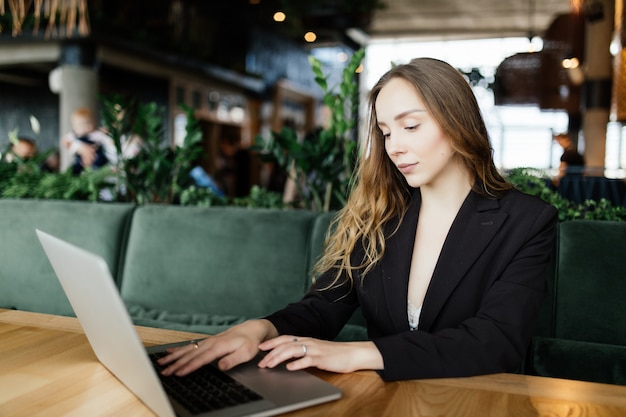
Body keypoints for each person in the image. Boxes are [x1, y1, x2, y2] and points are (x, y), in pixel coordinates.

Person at [159, 58, 558, 382]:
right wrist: (260, 329)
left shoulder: (526, 222)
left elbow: (495, 341)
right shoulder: (381, 214)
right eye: (385, 132)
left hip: (475, 402)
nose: (395, 146)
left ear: (456, 123)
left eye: (411, 125)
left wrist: (357, 353)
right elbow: (320, 308)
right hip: (382, 402)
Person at [61, 107, 117, 175]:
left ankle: (96, 170)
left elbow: (106, 139)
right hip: (81, 160)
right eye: (81, 125)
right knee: (75, 166)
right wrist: (78, 147)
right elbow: (65, 141)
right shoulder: (73, 136)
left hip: (96, 157)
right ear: (74, 127)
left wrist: (107, 130)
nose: (86, 127)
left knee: (101, 159)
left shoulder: (95, 134)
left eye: (88, 123)